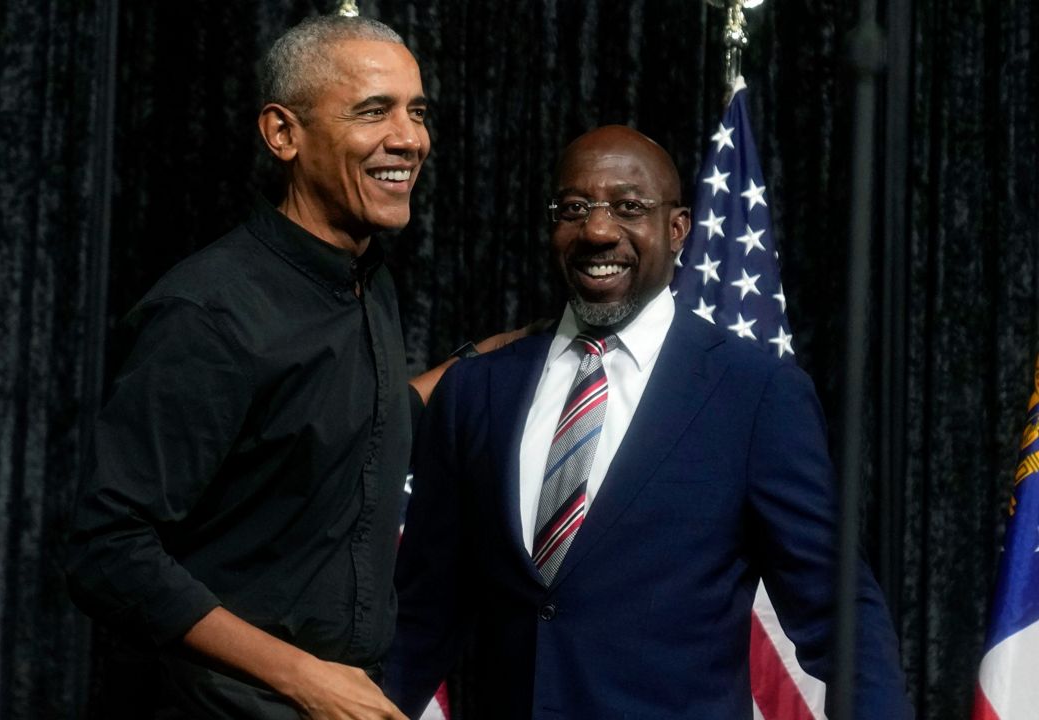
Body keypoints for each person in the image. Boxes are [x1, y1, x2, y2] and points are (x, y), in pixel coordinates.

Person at [384, 125, 913, 719]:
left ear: (678, 228)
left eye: (629, 207)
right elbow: (421, 618)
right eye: (575, 208)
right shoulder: (476, 390)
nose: (599, 231)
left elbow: (838, 615)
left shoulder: (755, 393)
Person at [66, 15, 477, 719]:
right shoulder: (209, 313)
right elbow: (106, 551)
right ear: (283, 133)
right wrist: (303, 678)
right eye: (373, 111)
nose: (410, 138)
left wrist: (508, 355)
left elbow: (345, 425)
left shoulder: (367, 278)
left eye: (416, 112)